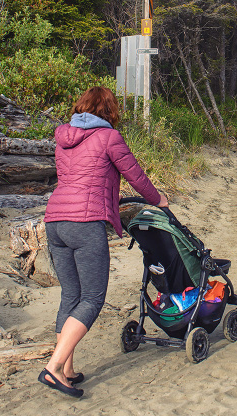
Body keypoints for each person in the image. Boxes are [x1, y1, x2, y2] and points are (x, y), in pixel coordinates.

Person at [38, 86, 168, 398]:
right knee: (93, 299)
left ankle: (67, 369)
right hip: (85, 223)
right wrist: (158, 199)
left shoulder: (63, 136)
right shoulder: (109, 137)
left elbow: (74, 179)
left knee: (70, 296)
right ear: (109, 111)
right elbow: (135, 176)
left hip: (54, 220)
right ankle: (54, 367)